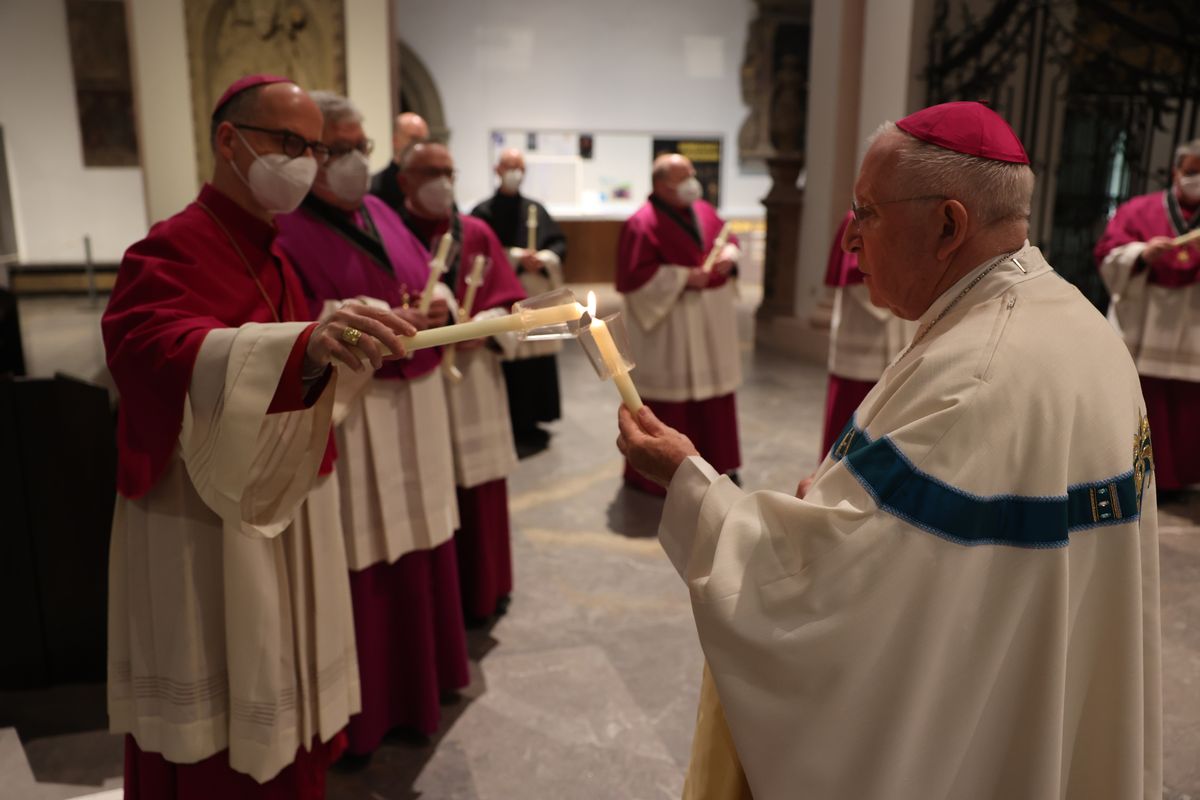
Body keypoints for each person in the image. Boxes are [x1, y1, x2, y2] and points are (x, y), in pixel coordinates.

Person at [619, 101, 1161, 799]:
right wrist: (848, 499)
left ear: (948, 226)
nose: (849, 240)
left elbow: (824, 601)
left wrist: (687, 481)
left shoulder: (974, 377)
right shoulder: (1078, 324)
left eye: (867, 213)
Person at [103, 75, 418, 798]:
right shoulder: (170, 246)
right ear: (229, 140)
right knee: (222, 686)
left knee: (279, 662)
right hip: (200, 513)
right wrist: (299, 345)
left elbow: (288, 353)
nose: (306, 163)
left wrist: (331, 336)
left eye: (314, 148)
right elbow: (146, 346)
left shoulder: (269, 249)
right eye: (289, 143)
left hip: (271, 498)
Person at [274, 92, 469, 759]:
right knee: (367, 551)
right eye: (340, 148)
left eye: (363, 147)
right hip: (356, 413)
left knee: (423, 536)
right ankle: (375, 708)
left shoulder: (382, 211)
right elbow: (289, 325)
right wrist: (364, 317)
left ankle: (428, 681)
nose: (357, 160)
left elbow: (428, 279)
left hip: (415, 404)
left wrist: (438, 306)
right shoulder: (284, 229)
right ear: (307, 153)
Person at [397, 142, 527, 623]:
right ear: (404, 180)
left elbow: (513, 306)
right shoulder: (388, 234)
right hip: (414, 386)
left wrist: (480, 328)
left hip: (473, 380)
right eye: (429, 172)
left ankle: (485, 590)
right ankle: (438, 604)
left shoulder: (476, 232)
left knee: (480, 488)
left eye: (448, 172)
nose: (442, 182)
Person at [616, 153, 742, 496]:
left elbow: (728, 238)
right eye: (682, 177)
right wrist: (684, 277)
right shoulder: (641, 223)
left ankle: (716, 463)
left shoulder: (704, 210)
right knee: (670, 401)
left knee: (712, 396)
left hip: (709, 322)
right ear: (660, 185)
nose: (692, 183)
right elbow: (635, 280)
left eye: (691, 174)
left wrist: (731, 256)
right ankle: (660, 473)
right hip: (670, 326)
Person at [1096, 138, 1200, 495]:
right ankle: (1134, 476)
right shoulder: (1139, 210)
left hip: (1192, 329)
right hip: (1145, 324)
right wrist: (1141, 254)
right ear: (1176, 172)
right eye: (1192, 171)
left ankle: (1178, 481)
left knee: (1187, 410)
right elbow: (1108, 254)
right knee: (1143, 403)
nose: (1196, 179)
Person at [470, 148, 569, 451]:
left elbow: (559, 242)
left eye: (519, 167)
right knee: (510, 355)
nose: (514, 172)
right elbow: (478, 254)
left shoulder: (536, 209)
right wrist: (514, 257)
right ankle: (511, 420)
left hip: (536, 293)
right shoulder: (482, 212)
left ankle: (536, 417)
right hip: (504, 297)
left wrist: (545, 258)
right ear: (497, 169)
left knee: (537, 360)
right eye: (509, 166)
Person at [820, 209, 916, 456]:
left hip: (899, 331)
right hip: (861, 337)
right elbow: (854, 273)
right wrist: (898, 298)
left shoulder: (907, 215)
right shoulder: (856, 217)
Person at [369, 111, 429, 213]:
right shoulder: (375, 187)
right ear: (395, 141)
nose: (420, 146)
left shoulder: (432, 184)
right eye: (414, 139)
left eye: (424, 140)